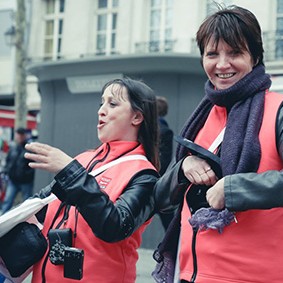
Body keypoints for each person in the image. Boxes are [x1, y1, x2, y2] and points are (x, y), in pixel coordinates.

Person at [153, 5, 283, 283]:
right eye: (212, 54)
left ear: (255, 56)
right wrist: (181, 169)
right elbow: (160, 198)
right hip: (191, 275)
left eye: (234, 52)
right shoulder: (201, 117)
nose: (222, 64)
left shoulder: (277, 111)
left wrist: (236, 188)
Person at [24, 77, 160, 283]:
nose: (101, 110)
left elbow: (114, 227)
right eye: (102, 103)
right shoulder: (83, 160)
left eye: (112, 104)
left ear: (137, 117)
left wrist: (71, 172)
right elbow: (40, 205)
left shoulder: (144, 175)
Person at [1, 127, 34, 214]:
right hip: (13, 181)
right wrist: (6, 171)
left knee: (27, 203)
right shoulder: (13, 148)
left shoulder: (29, 149)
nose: (19, 137)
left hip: (25, 182)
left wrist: (27, 175)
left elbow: (33, 165)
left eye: (21, 135)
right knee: (7, 201)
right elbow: (8, 162)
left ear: (24, 136)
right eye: (18, 135)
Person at [156, 96, 175, 231]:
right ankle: (174, 248)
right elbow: (165, 160)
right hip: (159, 181)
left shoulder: (142, 128)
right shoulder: (165, 130)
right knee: (169, 223)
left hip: (147, 177)